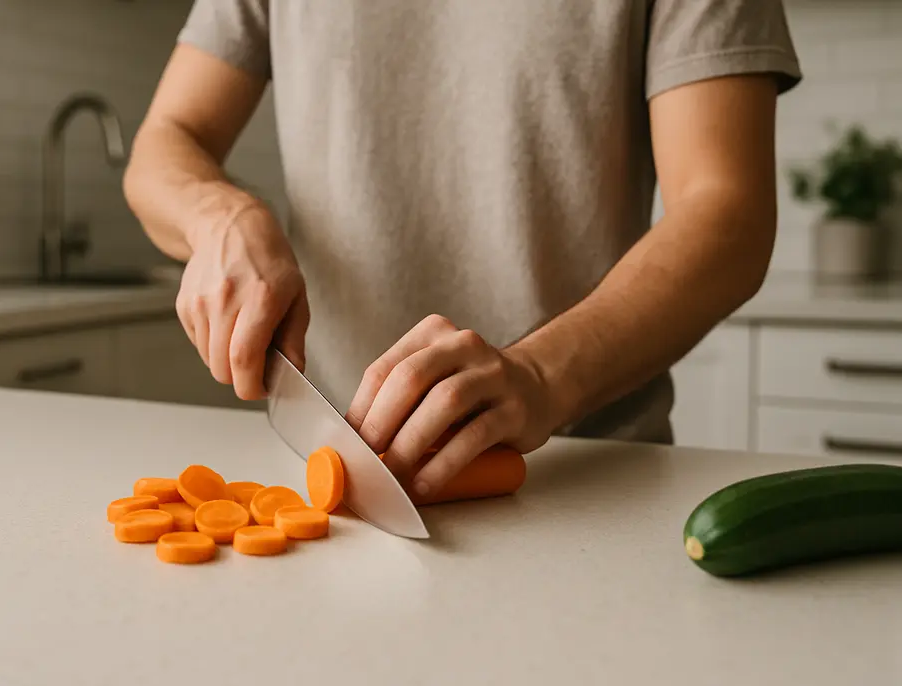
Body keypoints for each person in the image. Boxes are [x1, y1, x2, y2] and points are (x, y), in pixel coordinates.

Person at [123, 1, 802, 499]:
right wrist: (221, 215)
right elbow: (165, 141)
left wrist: (539, 377)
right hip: (334, 480)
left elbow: (726, 213)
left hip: (580, 483)